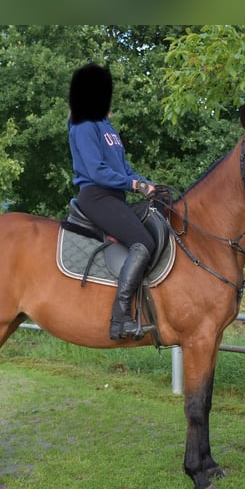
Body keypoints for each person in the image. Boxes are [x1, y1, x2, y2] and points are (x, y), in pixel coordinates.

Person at [67, 63, 156, 341]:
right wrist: (133, 184)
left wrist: (147, 184)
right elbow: (96, 171)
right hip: (95, 195)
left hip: (113, 197)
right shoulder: (83, 125)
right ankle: (120, 319)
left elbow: (124, 170)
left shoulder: (108, 128)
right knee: (145, 243)